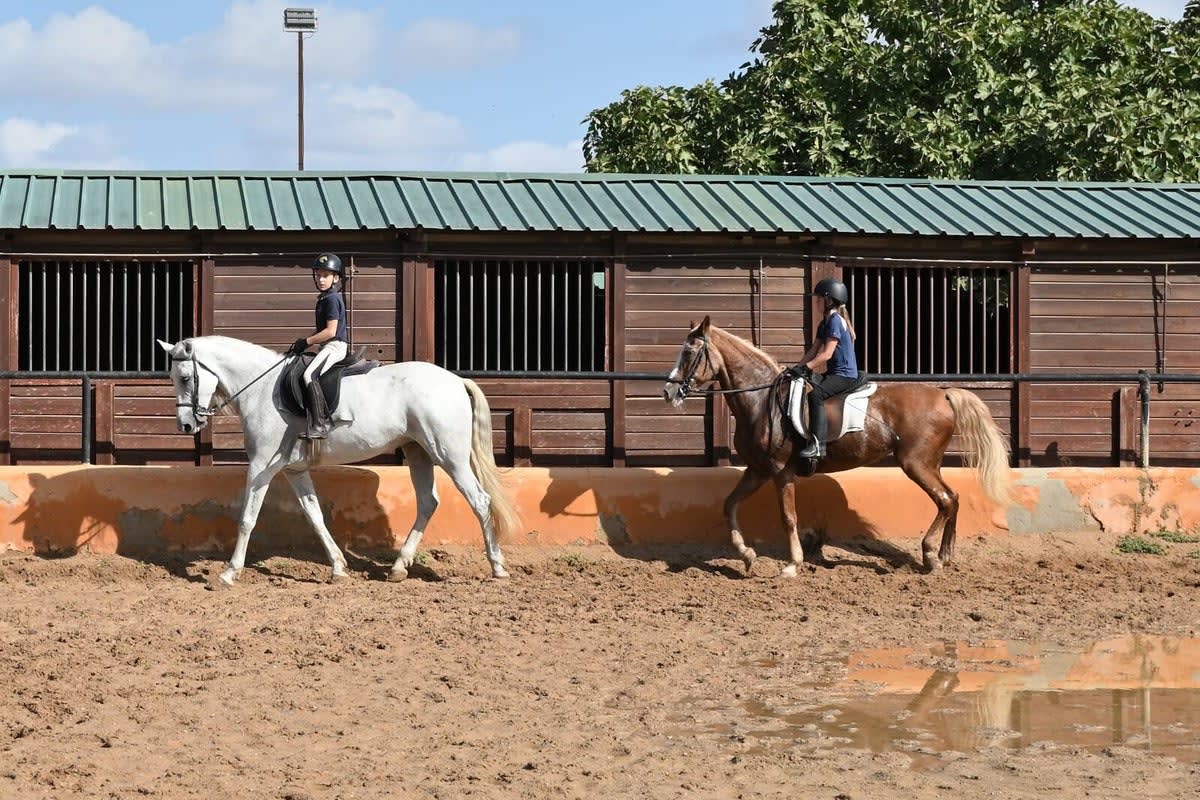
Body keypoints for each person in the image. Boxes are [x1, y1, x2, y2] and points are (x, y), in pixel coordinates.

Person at [791, 277, 859, 459]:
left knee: (816, 394)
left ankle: (818, 445)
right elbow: (813, 351)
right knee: (805, 382)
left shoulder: (836, 321)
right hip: (834, 373)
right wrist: (796, 369)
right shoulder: (824, 323)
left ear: (828, 300)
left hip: (845, 376)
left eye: (818, 299)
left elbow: (826, 354)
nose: (816, 303)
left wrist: (806, 368)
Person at [288, 252, 349, 438]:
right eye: (318, 275)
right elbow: (321, 331)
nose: (321, 280)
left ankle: (319, 425)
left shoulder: (331, 299)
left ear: (336, 278)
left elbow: (330, 332)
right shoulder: (324, 298)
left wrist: (306, 341)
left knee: (309, 374)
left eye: (326, 276)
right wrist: (302, 344)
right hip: (327, 346)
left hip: (335, 346)